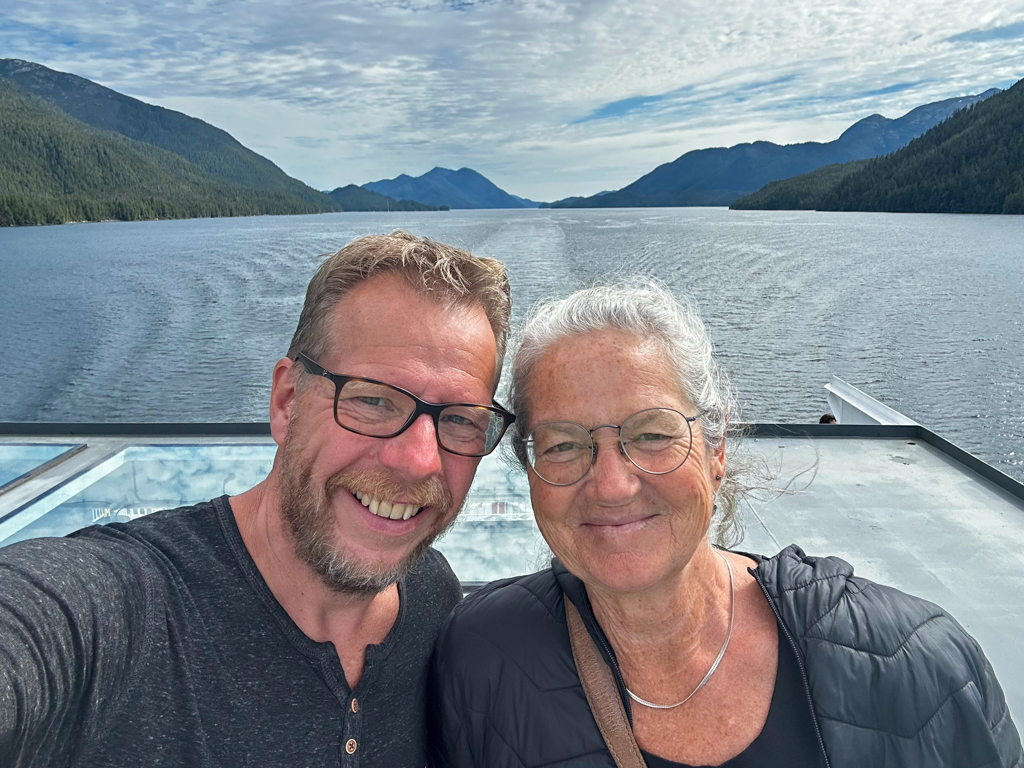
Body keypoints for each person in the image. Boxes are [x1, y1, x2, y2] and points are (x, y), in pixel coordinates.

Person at [429, 280, 1022, 768]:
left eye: (653, 434)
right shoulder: (482, 661)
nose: (611, 484)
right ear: (530, 471)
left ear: (715, 449)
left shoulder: (919, 668)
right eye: (562, 444)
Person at [0, 232, 514, 767]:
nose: (418, 461)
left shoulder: (435, 597)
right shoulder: (123, 614)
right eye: (373, 400)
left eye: (459, 420)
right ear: (288, 402)